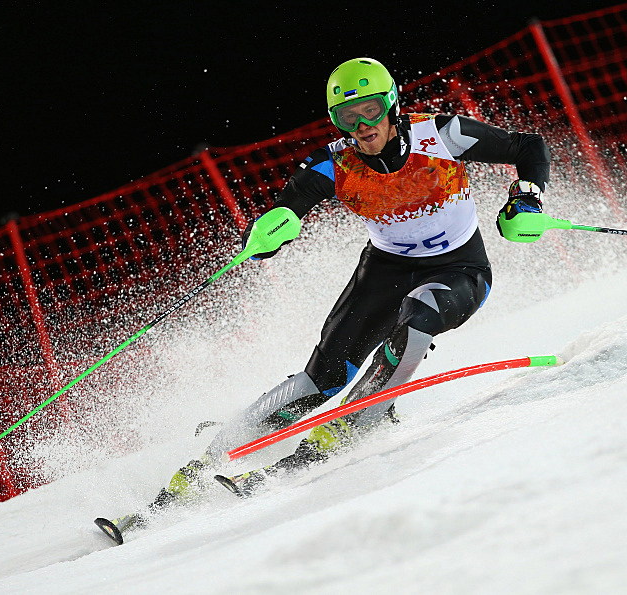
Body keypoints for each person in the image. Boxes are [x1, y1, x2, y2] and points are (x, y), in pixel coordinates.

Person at [110, 57, 551, 531]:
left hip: (461, 270)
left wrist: (526, 197)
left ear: (393, 106)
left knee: (420, 313)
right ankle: (215, 450)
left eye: (371, 111)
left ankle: (355, 420)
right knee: (321, 378)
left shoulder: (443, 136)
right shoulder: (336, 162)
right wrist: (268, 235)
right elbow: (290, 204)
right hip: (384, 271)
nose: (362, 127)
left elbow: (528, 147)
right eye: (347, 117)